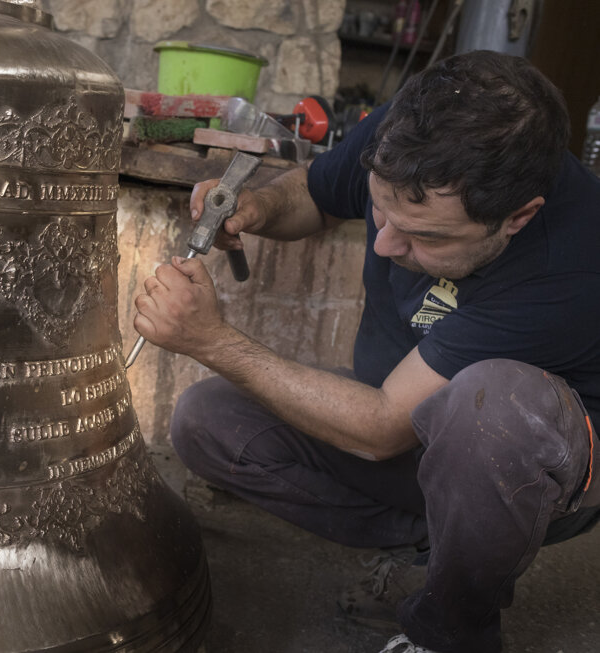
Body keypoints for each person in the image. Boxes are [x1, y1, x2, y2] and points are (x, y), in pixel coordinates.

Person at [132, 50, 600, 653]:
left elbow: (379, 427)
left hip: (524, 466)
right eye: (380, 210)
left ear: (518, 218)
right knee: (206, 421)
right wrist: (257, 208)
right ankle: (439, 555)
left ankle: (452, 629)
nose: (381, 245)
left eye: (425, 235)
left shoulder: (572, 264)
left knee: (492, 407)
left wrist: (213, 341)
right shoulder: (410, 138)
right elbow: (318, 194)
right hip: (410, 427)